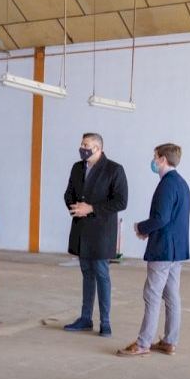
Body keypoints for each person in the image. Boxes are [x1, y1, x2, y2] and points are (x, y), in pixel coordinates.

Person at [118, 144, 190, 357]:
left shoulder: (166, 185)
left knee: (152, 295)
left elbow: (161, 218)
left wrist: (141, 228)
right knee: (171, 295)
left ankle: (143, 343)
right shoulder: (182, 183)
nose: (153, 161)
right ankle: (170, 341)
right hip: (177, 249)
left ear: (162, 159)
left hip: (163, 249)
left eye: (155, 157)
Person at [62, 133, 128, 337]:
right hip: (81, 229)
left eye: (86, 145)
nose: (82, 148)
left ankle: (105, 322)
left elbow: (120, 201)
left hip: (101, 232)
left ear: (98, 148)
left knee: (101, 274)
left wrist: (90, 208)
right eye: (82, 144)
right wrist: (76, 208)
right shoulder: (77, 167)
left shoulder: (114, 169)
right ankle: (85, 318)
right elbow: (68, 193)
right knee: (87, 274)